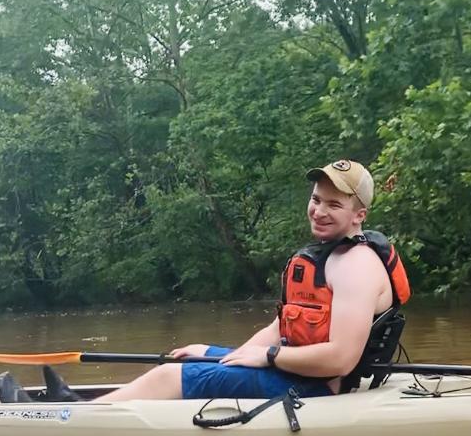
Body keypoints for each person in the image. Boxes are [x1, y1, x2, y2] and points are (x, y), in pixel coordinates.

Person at [94, 158, 409, 402]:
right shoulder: (330, 256)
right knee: (193, 355)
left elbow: (340, 359)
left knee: (168, 377)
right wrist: (224, 360)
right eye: (316, 199)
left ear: (359, 215)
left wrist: (269, 356)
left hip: (321, 389)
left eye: (334, 205)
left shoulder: (357, 267)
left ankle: (77, 415)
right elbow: (279, 330)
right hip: (299, 371)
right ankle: (90, 408)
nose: (318, 211)